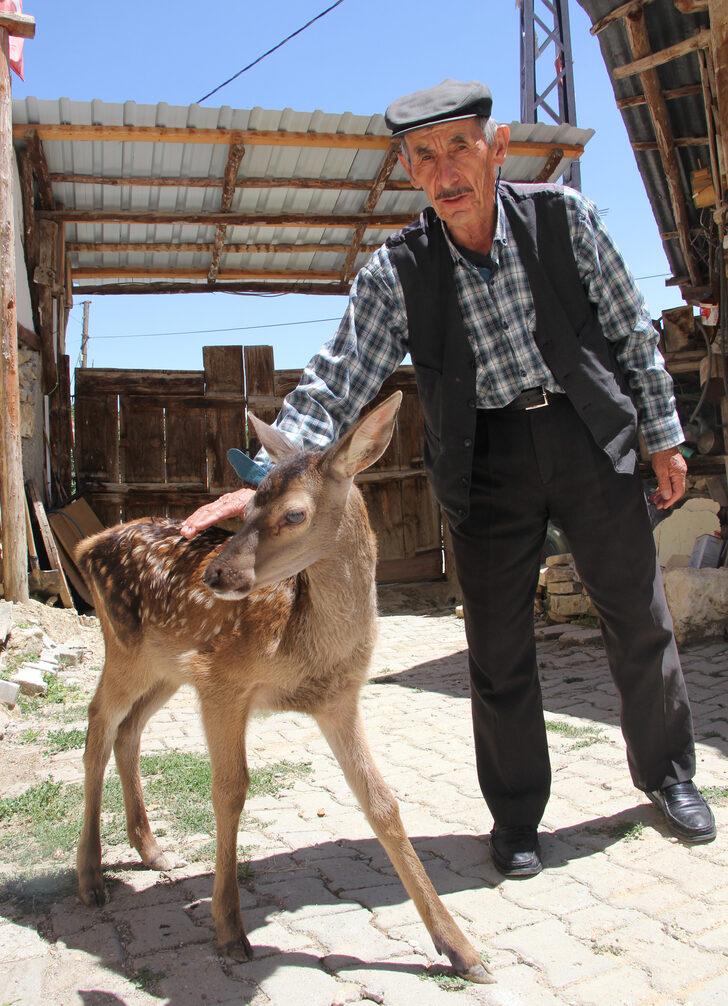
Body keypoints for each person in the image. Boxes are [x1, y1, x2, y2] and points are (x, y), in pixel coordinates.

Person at [181, 79, 716, 875]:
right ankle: (517, 819)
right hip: (484, 458)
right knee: (496, 645)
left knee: (638, 616)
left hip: (586, 433)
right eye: (425, 156)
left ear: (495, 149)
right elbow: (339, 378)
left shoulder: (566, 221)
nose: (446, 169)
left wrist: (664, 439)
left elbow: (633, 334)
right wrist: (268, 479)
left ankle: (669, 775)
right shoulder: (397, 270)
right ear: (409, 171)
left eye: (460, 146)